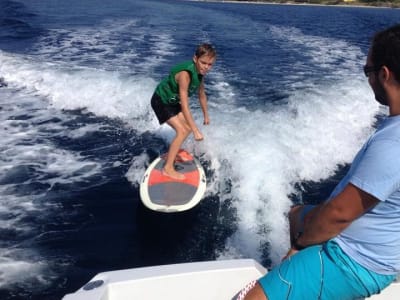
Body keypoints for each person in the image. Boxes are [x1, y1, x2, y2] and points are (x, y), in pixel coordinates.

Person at [238, 24, 400, 300]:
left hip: (354, 259)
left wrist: (299, 248)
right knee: (296, 214)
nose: (368, 78)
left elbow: (339, 214)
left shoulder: (392, 144)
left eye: (368, 71)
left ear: (384, 74)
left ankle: (300, 276)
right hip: (369, 244)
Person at [151, 43, 216, 180]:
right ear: (195, 59)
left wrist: (206, 115)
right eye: (203, 63)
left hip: (173, 102)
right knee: (183, 130)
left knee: (186, 129)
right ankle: (167, 169)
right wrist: (196, 129)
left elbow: (202, 95)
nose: (206, 67)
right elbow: (185, 106)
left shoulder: (200, 74)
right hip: (161, 101)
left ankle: (170, 155)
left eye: (210, 64)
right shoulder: (185, 75)